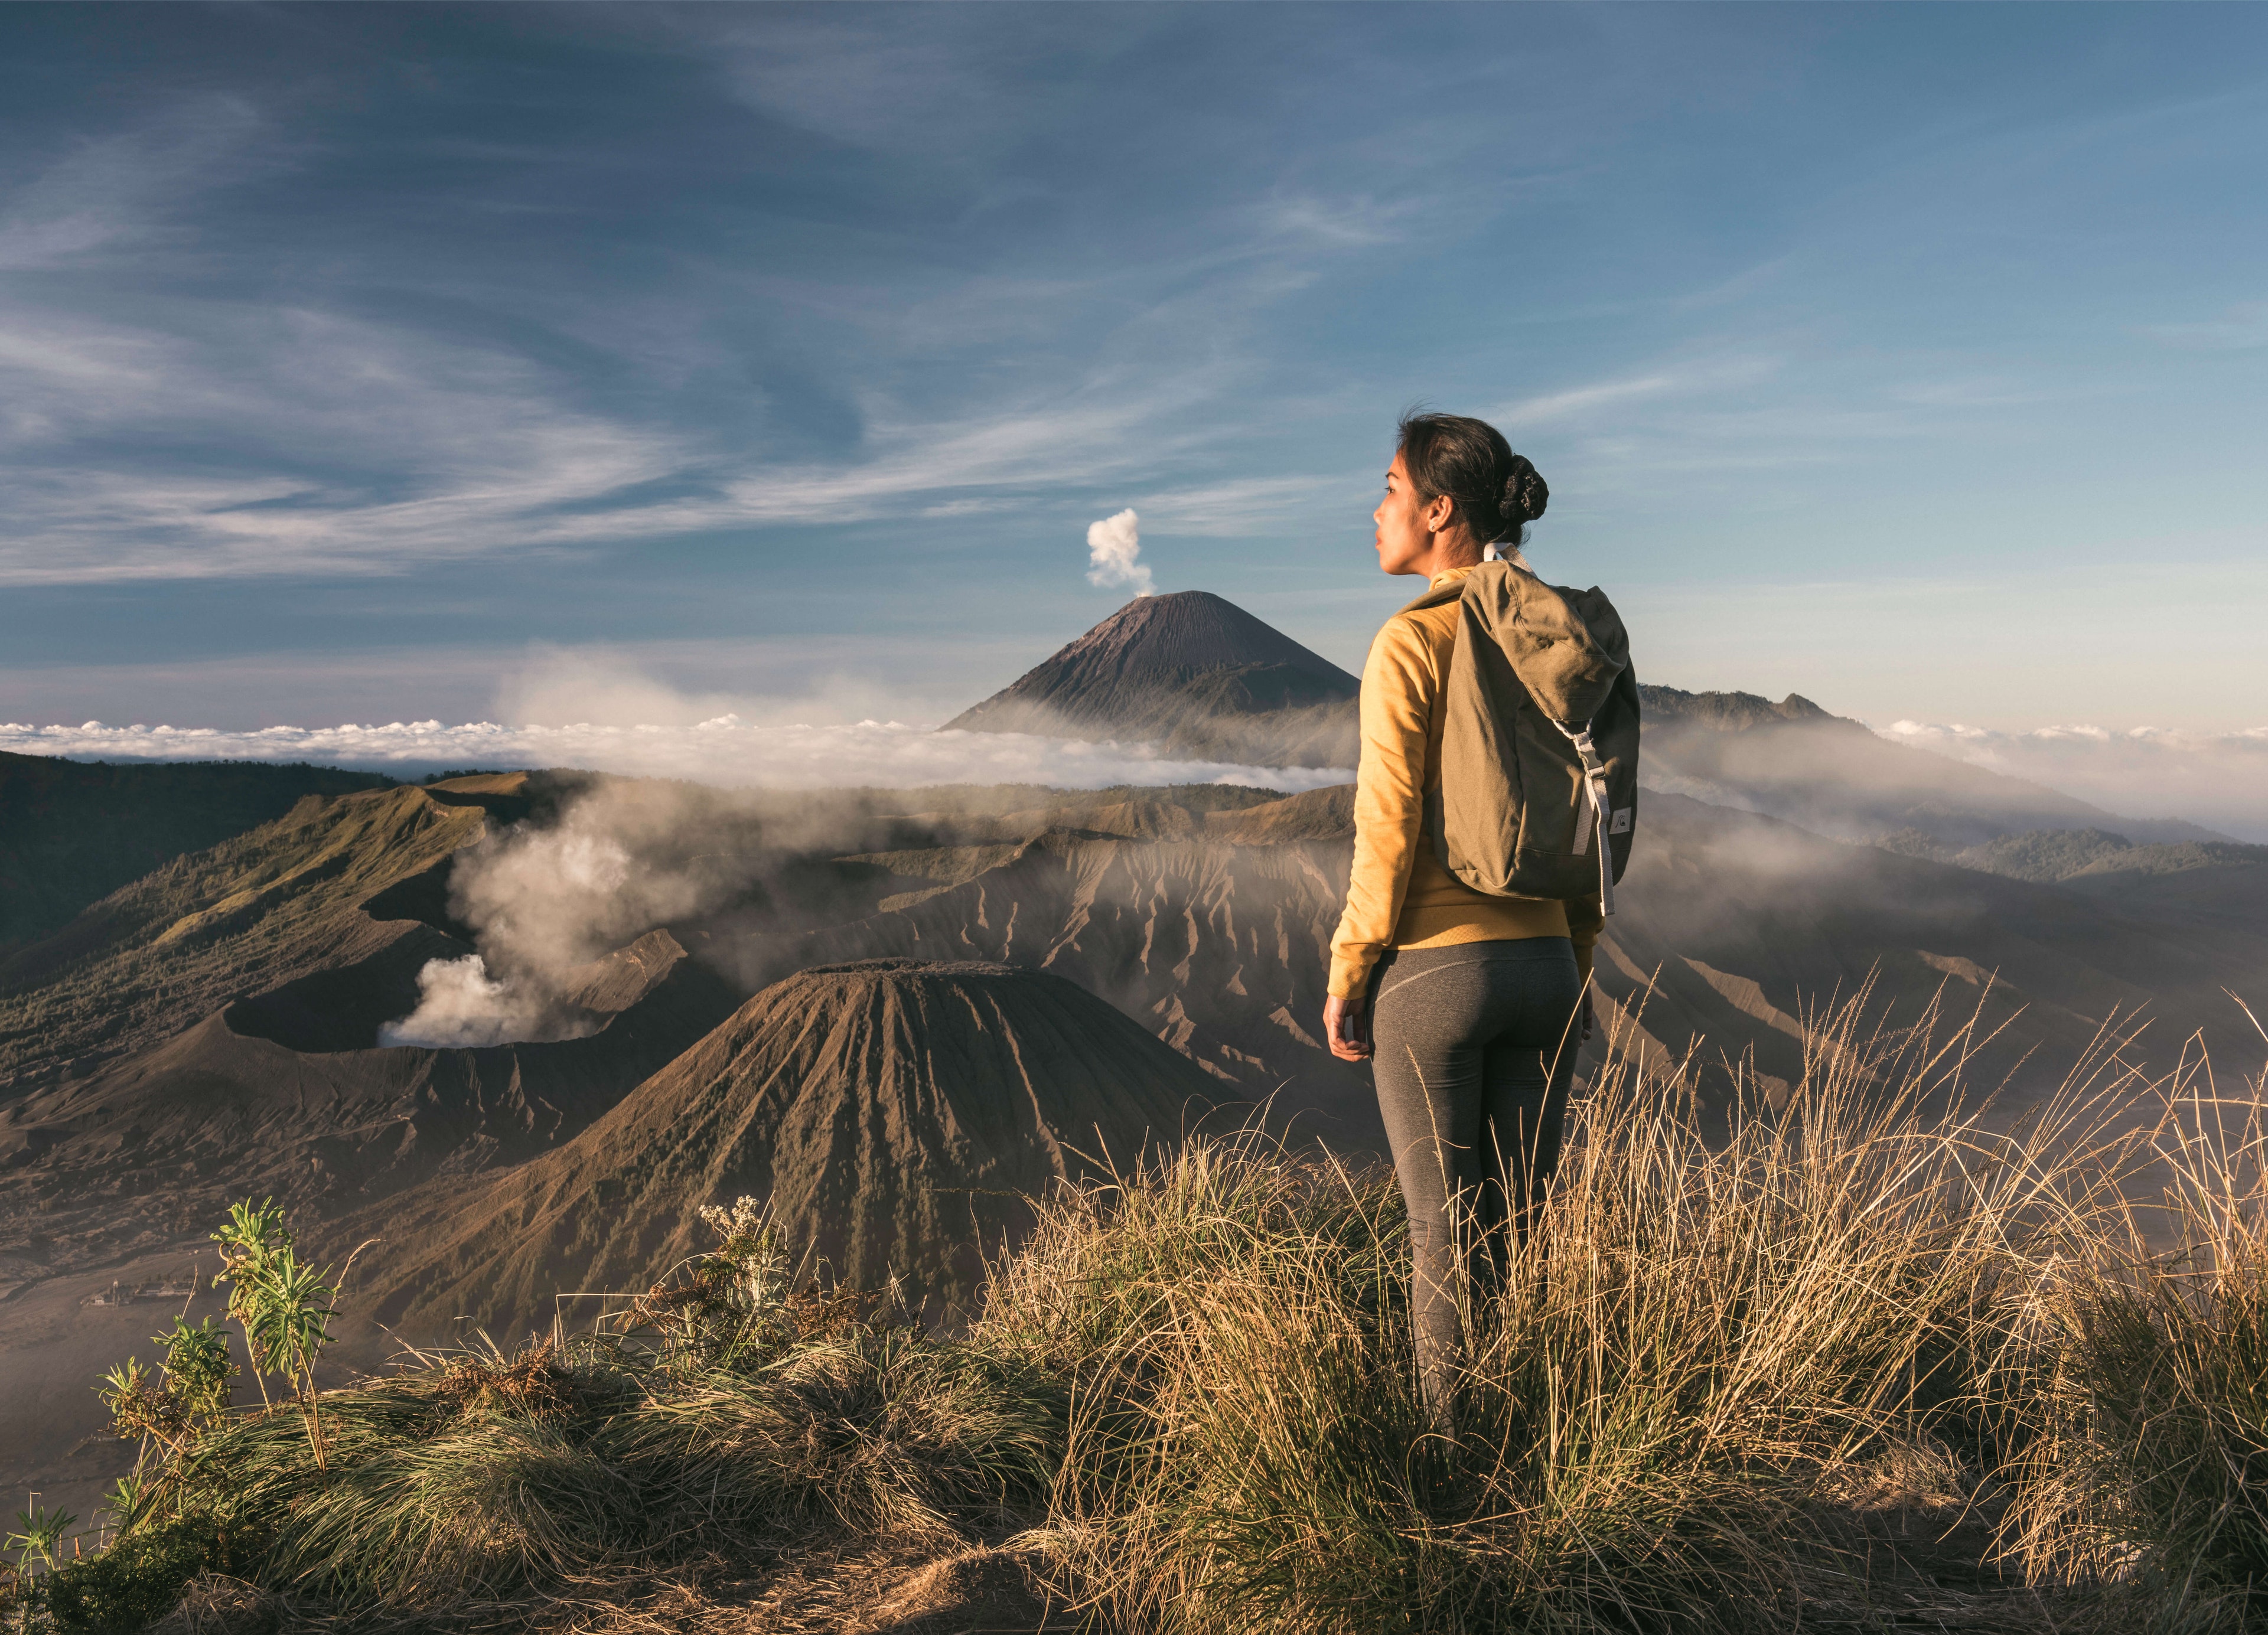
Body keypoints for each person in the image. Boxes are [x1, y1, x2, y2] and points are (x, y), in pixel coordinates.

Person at [1322, 411, 1601, 1429]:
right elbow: (1589, 813)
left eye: (1392, 487)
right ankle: (1541, 1457)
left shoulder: (1411, 641)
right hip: (1548, 969)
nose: (1380, 506)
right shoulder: (1550, 644)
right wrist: (1573, 957)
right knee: (1518, 1234)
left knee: (1443, 1236)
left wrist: (1352, 966)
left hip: (1440, 975)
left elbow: (1385, 826)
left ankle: (1458, 1474)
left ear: (1441, 511)